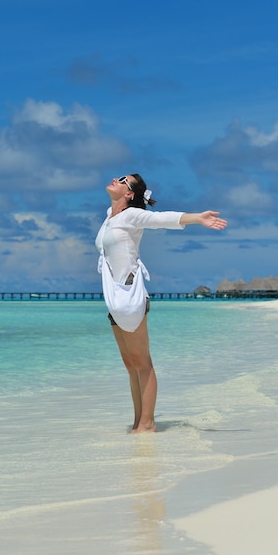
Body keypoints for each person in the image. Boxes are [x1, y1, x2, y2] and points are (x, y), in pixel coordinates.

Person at [95, 173, 227, 434]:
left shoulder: (130, 216)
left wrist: (197, 218)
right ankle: (138, 422)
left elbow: (161, 218)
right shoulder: (110, 215)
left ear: (130, 194)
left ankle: (148, 423)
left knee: (142, 363)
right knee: (130, 364)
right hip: (114, 300)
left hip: (130, 297)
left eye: (123, 180)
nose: (116, 179)